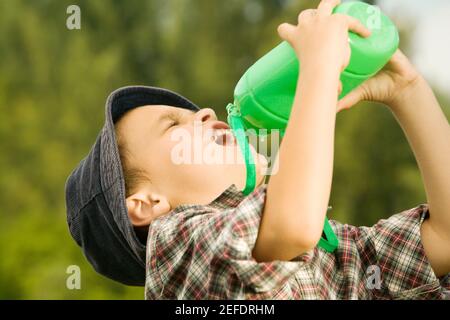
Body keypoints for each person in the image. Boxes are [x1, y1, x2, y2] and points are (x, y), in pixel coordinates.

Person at [65, 0, 450, 299]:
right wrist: (319, 67)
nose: (204, 113)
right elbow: (294, 224)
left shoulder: (325, 255)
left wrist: (409, 92)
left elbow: (445, 238)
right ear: (146, 203)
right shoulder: (177, 252)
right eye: (173, 125)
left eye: (192, 111)